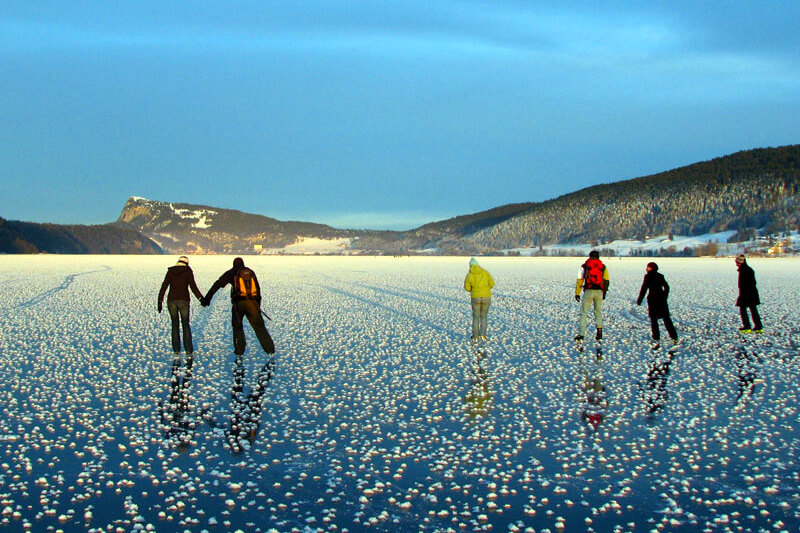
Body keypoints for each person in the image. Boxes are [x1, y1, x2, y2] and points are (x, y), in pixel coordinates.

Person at [201, 257, 275, 355]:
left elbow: (217, 284)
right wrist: (257, 305)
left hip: (238, 304)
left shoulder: (231, 272)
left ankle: (239, 351)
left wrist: (207, 299)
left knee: (237, 327)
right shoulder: (250, 272)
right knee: (260, 327)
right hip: (252, 303)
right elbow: (257, 289)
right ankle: (270, 350)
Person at [158, 256, 204, 355]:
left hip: (171, 301)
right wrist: (201, 298)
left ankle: (176, 350)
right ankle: (188, 350)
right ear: (187, 263)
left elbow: (164, 286)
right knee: (185, 325)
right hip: (184, 301)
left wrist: (160, 301)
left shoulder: (170, 271)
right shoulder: (187, 271)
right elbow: (193, 287)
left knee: (174, 325)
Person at [636, 262, 678, 348]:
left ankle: (656, 337)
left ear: (651, 268)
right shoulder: (660, 276)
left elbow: (644, 288)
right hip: (661, 300)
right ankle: (674, 336)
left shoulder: (648, 277)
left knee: (654, 319)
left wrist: (640, 300)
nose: (646, 269)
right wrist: (664, 296)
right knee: (666, 319)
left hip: (653, 300)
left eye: (647, 267)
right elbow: (667, 287)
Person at [575, 250, 609, 342]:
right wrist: (604, 292)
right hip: (599, 291)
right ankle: (599, 332)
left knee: (584, 313)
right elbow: (606, 280)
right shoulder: (603, 267)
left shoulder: (584, 266)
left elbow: (580, 280)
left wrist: (577, 293)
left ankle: (581, 334)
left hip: (588, 291)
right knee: (598, 311)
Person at [464, 257, 494, 341]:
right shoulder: (485, 272)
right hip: (486, 297)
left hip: (475, 298)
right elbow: (492, 283)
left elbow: (466, 287)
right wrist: (486, 290)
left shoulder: (469, 275)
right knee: (484, 316)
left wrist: (473, 291)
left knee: (476, 317)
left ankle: (475, 336)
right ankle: (483, 335)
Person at [735, 254, 763, 333]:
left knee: (744, 310)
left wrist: (743, 294)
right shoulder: (745, 269)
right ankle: (758, 326)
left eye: (737, 262)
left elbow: (750, 283)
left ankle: (747, 327)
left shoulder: (746, 270)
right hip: (750, 294)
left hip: (747, 294)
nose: (736, 264)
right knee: (753, 310)